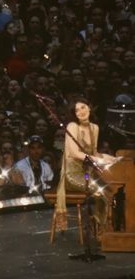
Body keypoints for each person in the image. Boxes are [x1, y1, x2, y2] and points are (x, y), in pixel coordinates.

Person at [55, 98, 117, 235]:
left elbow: (94, 153)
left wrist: (111, 159)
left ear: (89, 107)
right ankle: (102, 228)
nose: (81, 112)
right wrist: (97, 160)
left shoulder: (95, 128)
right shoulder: (72, 126)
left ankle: (108, 224)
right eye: (76, 110)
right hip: (72, 174)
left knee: (112, 188)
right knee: (100, 190)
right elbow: (74, 153)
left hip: (88, 172)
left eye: (83, 107)